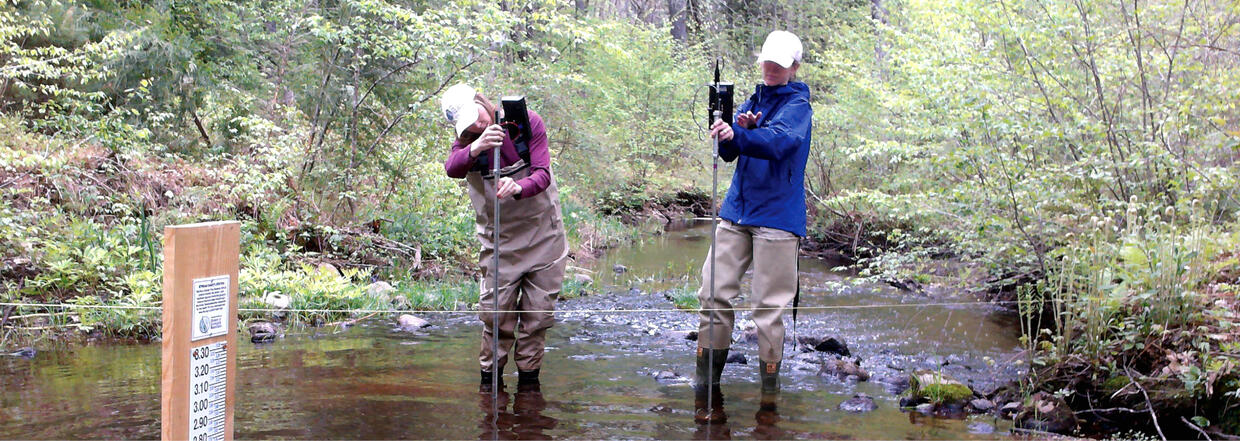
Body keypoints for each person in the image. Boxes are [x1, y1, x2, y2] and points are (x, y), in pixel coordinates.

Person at [694, 30, 813, 424]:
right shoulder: (753, 100)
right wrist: (729, 131)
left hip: (778, 219)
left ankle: (769, 405)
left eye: (780, 63)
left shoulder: (799, 106)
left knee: (767, 309)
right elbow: (729, 151)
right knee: (712, 293)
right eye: (767, 61)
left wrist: (743, 132)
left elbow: (779, 143)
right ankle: (706, 393)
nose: (772, 68)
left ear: (794, 67)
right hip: (737, 212)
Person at [441, 83, 568, 392]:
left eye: (479, 116)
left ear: (482, 101)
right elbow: (452, 168)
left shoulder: (525, 122)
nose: (477, 124)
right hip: (500, 243)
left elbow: (542, 173)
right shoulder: (467, 143)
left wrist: (518, 187)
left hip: (544, 238)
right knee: (496, 319)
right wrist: (477, 146)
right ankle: (489, 393)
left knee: (537, 319)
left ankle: (529, 397)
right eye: (469, 124)